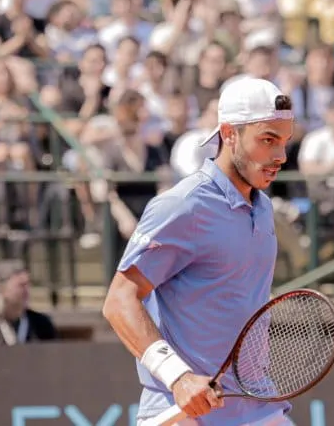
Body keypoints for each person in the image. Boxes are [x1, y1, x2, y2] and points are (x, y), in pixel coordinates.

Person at [102, 77, 295, 425]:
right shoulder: (183, 205)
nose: (280, 156)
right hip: (183, 413)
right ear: (229, 134)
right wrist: (178, 377)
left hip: (257, 405)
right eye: (268, 140)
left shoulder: (264, 207)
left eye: (284, 141)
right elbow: (119, 300)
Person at [0, 260, 57, 345]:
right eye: (21, 285)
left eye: (28, 284)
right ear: (1, 288)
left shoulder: (41, 324)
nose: (26, 290)